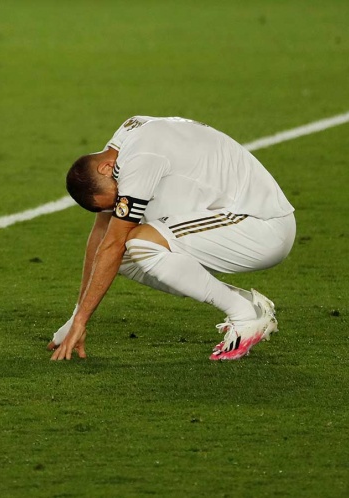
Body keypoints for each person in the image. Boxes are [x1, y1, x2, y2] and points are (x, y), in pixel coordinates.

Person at [48, 116, 295, 361]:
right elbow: (103, 237)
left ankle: (244, 314)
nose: (118, 205)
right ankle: (245, 304)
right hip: (233, 217)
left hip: (261, 225)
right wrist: (76, 317)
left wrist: (82, 321)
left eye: (115, 201)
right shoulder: (123, 143)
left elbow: (112, 244)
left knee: (139, 243)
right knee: (121, 254)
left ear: (105, 169)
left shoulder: (140, 159)